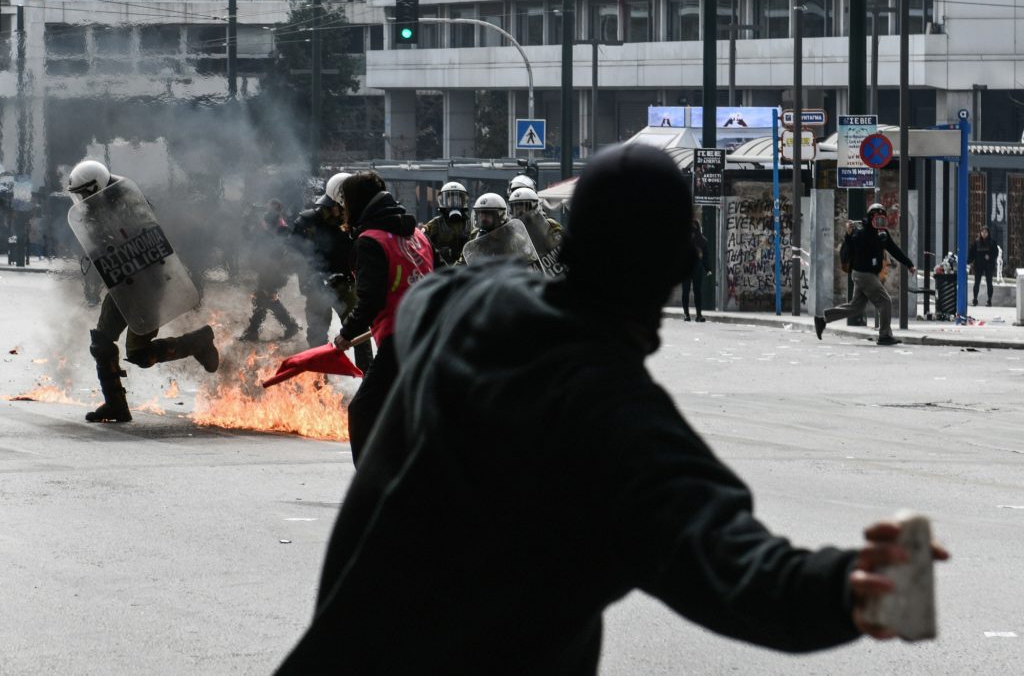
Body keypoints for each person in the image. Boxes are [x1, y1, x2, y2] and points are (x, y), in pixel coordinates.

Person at [276, 145, 948, 674]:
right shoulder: (619, 427)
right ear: (673, 273)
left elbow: (420, 309)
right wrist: (852, 587)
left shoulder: (457, 307)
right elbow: (736, 570)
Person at [67, 159, 220, 424]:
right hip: (121, 282)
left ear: (97, 186)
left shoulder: (129, 201)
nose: (81, 198)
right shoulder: (97, 206)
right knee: (101, 342)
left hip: (147, 282)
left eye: (84, 193)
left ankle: (197, 342)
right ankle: (116, 405)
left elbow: (143, 239)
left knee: (139, 354)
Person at [332, 170, 433, 464]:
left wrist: (346, 333)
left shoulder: (370, 241)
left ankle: (369, 486)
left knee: (362, 411)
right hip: (431, 333)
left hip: (401, 339)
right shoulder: (418, 236)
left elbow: (370, 300)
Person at [291, 172, 373, 372]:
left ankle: (368, 377)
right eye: (344, 208)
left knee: (359, 330)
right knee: (317, 337)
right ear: (334, 204)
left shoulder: (353, 225)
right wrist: (313, 277)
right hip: (315, 287)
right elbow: (294, 255)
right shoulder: (307, 223)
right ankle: (320, 384)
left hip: (345, 285)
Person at [814, 203, 915, 346]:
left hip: (866, 274)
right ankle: (885, 336)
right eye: (876, 218)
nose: (879, 221)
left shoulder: (883, 234)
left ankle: (822, 319)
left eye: (882, 218)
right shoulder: (861, 233)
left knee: (856, 307)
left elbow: (894, 249)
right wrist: (848, 235)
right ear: (870, 217)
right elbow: (848, 248)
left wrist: (909, 264)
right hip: (863, 274)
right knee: (885, 302)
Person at [237, 199, 300, 342]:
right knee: (263, 299)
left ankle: (289, 326)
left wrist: (264, 229)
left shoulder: (282, 228)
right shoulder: (268, 223)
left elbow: (278, 249)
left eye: (270, 210)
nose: (267, 213)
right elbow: (249, 237)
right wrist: (247, 220)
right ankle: (255, 331)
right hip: (265, 268)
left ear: (277, 212)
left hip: (274, 271)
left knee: (267, 298)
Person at [420, 180, 471, 266]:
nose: (454, 203)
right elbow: (422, 242)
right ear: (443, 202)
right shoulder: (435, 224)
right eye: (451, 201)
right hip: (443, 268)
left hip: (465, 268)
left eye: (457, 200)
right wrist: (439, 252)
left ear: (463, 202)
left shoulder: (469, 224)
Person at [682, 219, 712, 322]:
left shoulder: (702, 241)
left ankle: (699, 314)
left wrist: (708, 268)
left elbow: (705, 257)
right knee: (685, 291)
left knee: (697, 292)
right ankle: (686, 314)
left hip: (697, 269)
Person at [968, 226, 997, 307]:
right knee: (976, 283)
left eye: (986, 232)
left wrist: (990, 257)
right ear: (980, 233)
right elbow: (972, 253)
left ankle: (989, 300)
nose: (984, 234)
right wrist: (970, 262)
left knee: (989, 283)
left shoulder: (992, 242)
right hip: (978, 265)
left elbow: (996, 253)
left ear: (988, 233)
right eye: (982, 232)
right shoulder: (976, 242)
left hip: (989, 265)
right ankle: (975, 299)